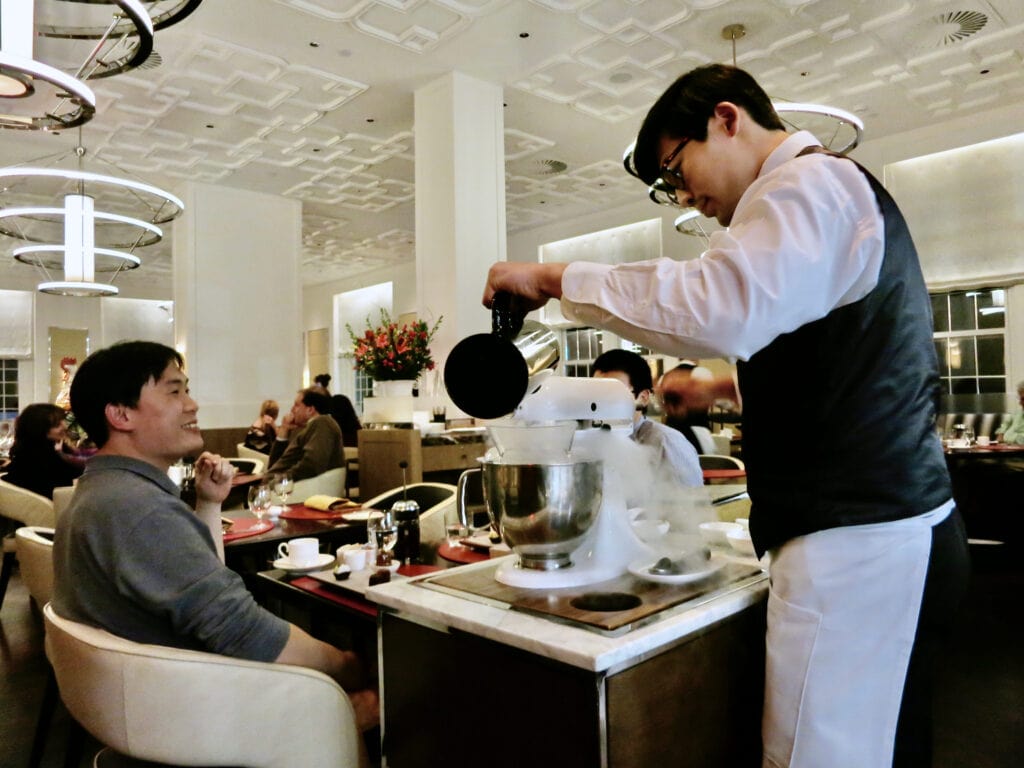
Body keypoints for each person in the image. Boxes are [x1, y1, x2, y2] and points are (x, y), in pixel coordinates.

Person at [481, 64, 968, 767]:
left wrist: (556, 278)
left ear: (728, 118)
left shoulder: (811, 185)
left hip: (859, 541)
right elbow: (847, 357)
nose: (685, 197)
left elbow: (722, 303)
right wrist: (726, 393)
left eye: (677, 170)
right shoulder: (823, 194)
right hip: (889, 530)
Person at [50, 341, 377, 731]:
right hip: (191, 714)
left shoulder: (105, 490)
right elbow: (246, 633)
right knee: (385, 696)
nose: (192, 404)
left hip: (141, 702)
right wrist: (348, 666)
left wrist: (208, 504)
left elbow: (202, 587)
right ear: (121, 414)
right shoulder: (140, 509)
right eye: (174, 391)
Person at [592, 349, 702, 488]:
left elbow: (690, 503)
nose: (603, 401)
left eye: (614, 393)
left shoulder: (666, 443)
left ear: (643, 397)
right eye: (596, 392)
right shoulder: (592, 440)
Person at [3, 403, 83, 499]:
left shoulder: (27, 450)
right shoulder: (43, 456)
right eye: (57, 425)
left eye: (63, 421)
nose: (65, 426)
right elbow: (79, 470)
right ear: (39, 428)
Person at [267, 388, 344, 480]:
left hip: (294, 489)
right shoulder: (306, 429)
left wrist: (280, 480)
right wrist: (284, 429)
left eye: (296, 405)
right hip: (277, 487)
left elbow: (312, 465)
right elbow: (275, 466)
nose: (292, 409)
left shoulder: (323, 423)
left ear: (310, 410)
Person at [656, 362, 713, 454]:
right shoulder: (701, 372)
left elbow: (660, 405)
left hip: (672, 431)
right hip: (698, 433)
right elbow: (716, 399)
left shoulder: (664, 377)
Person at [995, 380, 1024, 444]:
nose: (1020, 403)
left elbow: (1021, 440)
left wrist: (1012, 439)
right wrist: (1001, 434)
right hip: (1006, 446)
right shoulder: (1018, 412)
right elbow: (1006, 423)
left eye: (1023, 399)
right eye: (1020, 399)